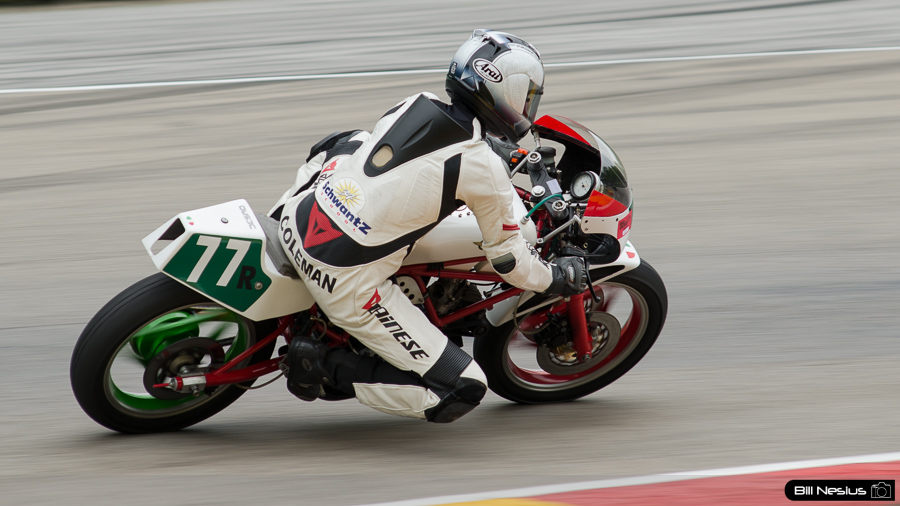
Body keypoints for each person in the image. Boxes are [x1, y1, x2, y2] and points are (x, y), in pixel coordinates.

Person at [267, 29, 587, 423]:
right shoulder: (482, 169)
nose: (527, 105)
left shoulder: (418, 102)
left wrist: (495, 151)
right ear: (508, 92)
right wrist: (555, 279)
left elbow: (426, 160)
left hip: (296, 215)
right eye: (527, 95)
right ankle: (320, 364)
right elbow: (510, 264)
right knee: (463, 389)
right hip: (342, 278)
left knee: (352, 140)